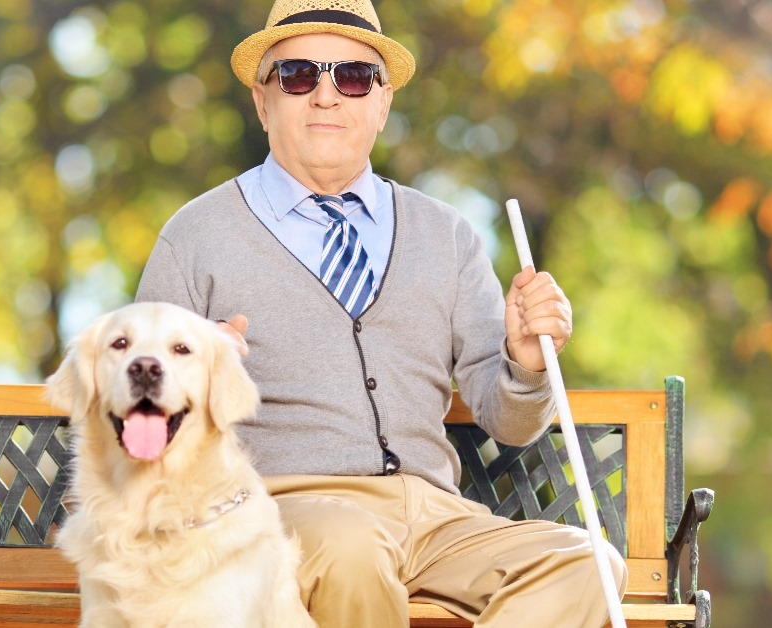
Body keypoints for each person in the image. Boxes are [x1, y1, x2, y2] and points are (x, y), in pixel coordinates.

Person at [134, 0, 628, 625]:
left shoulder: (447, 235)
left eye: (354, 77)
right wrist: (192, 380)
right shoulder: (197, 235)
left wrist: (527, 365)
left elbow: (509, 421)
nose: (326, 96)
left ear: (383, 102)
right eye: (297, 76)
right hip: (276, 508)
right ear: (264, 102)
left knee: (591, 564)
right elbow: (137, 421)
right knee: (350, 544)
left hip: (435, 517)